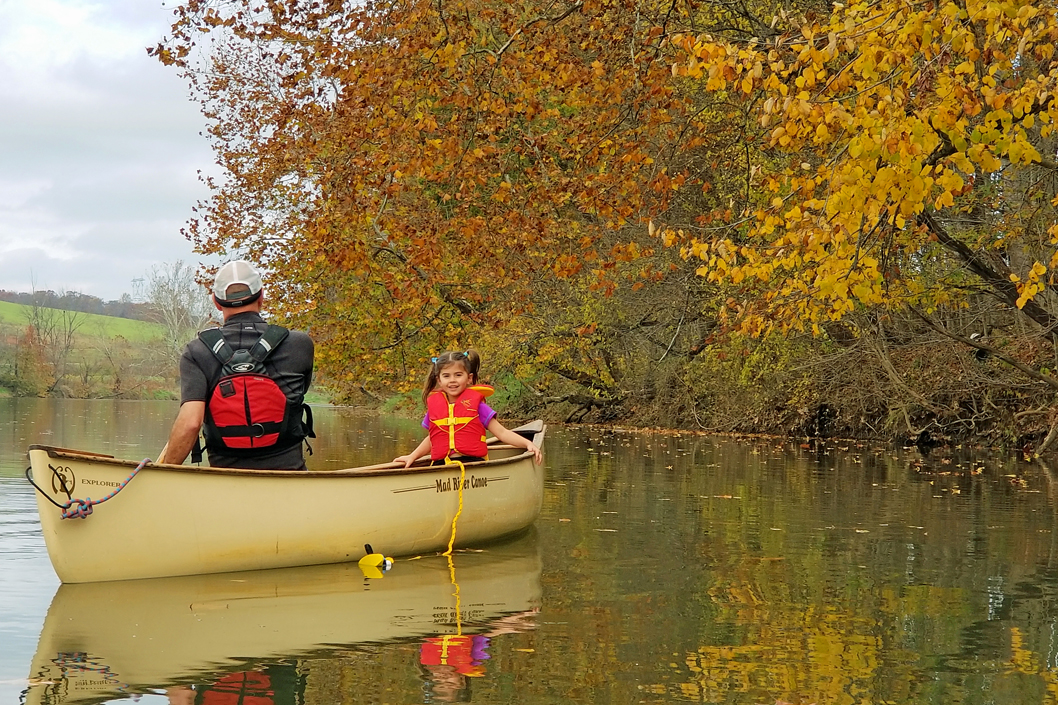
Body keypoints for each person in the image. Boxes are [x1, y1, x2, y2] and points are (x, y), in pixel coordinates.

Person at [159, 260, 315, 470]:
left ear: (216, 301)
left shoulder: (197, 351)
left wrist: (164, 473)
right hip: (289, 477)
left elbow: (191, 423)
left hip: (224, 480)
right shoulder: (299, 345)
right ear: (261, 296)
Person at [394, 350, 541, 467]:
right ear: (439, 380)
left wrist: (528, 444)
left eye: (458, 375)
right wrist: (412, 456)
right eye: (446, 376)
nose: (452, 380)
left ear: (469, 378)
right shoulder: (435, 406)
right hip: (442, 465)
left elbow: (502, 433)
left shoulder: (478, 406)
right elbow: (433, 438)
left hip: (473, 464)